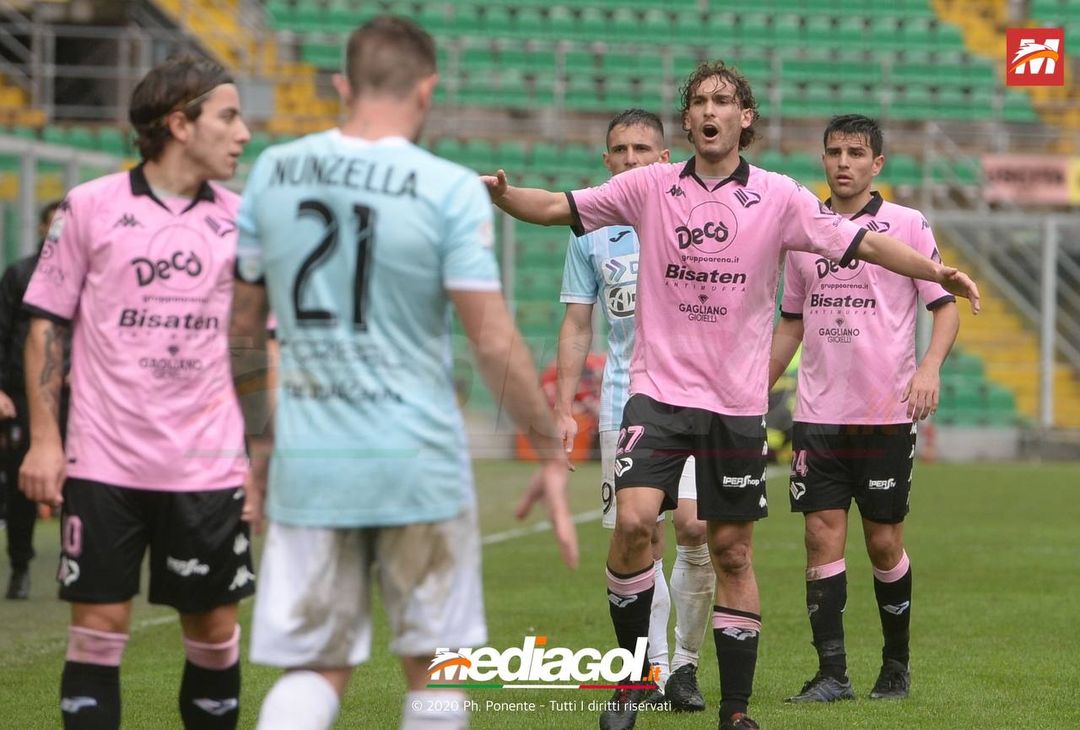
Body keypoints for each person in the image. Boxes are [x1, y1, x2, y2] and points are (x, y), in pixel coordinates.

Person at [482, 60, 979, 730]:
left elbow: (864, 244)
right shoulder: (649, 185)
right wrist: (503, 196)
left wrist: (936, 272)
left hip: (736, 406)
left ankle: (735, 710)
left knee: (732, 551)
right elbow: (557, 207)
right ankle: (632, 679)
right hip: (657, 393)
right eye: (698, 101)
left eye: (722, 100)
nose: (709, 110)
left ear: (745, 118)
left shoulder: (780, 197)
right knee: (633, 522)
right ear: (687, 121)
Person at [230, 16, 577, 730]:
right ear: (427, 89)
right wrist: (548, 445)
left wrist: (260, 449)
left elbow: (241, 333)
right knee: (434, 667)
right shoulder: (446, 187)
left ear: (342, 85)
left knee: (315, 667)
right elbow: (491, 338)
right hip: (417, 462)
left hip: (312, 461)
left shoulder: (273, 171)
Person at [19, 56, 253, 729]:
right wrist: (44, 440)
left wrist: (262, 458)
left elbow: (256, 348)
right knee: (97, 625)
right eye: (228, 117)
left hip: (207, 465)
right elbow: (47, 326)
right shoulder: (88, 206)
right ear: (179, 124)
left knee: (213, 631)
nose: (243, 133)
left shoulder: (245, 222)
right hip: (104, 460)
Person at [769, 114, 959, 704]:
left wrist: (929, 369)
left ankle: (895, 666)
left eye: (856, 153)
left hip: (885, 412)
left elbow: (945, 306)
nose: (843, 162)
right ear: (822, 159)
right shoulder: (805, 230)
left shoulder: (907, 223)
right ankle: (832, 674)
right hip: (818, 415)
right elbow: (792, 322)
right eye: (834, 152)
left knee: (883, 542)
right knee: (820, 536)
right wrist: (751, 393)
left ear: (877, 164)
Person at [555, 108, 712, 713]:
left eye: (642, 149)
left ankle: (686, 667)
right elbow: (577, 324)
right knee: (638, 535)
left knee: (696, 527)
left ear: (665, 158)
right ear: (605, 160)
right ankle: (652, 669)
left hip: (697, 401)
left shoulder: (692, 218)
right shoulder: (588, 233)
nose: (629, 159)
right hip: (624, 403)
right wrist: (565, 408)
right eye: (619, 150)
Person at [0, 200, 65, 599]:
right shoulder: (19, 274)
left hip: (79, 396)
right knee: (24, 482)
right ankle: (20, 566)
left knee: (85, 486)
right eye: (54, 225)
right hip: (24, 396)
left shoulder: (94, 275)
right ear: (42, 228)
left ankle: (78, 565)